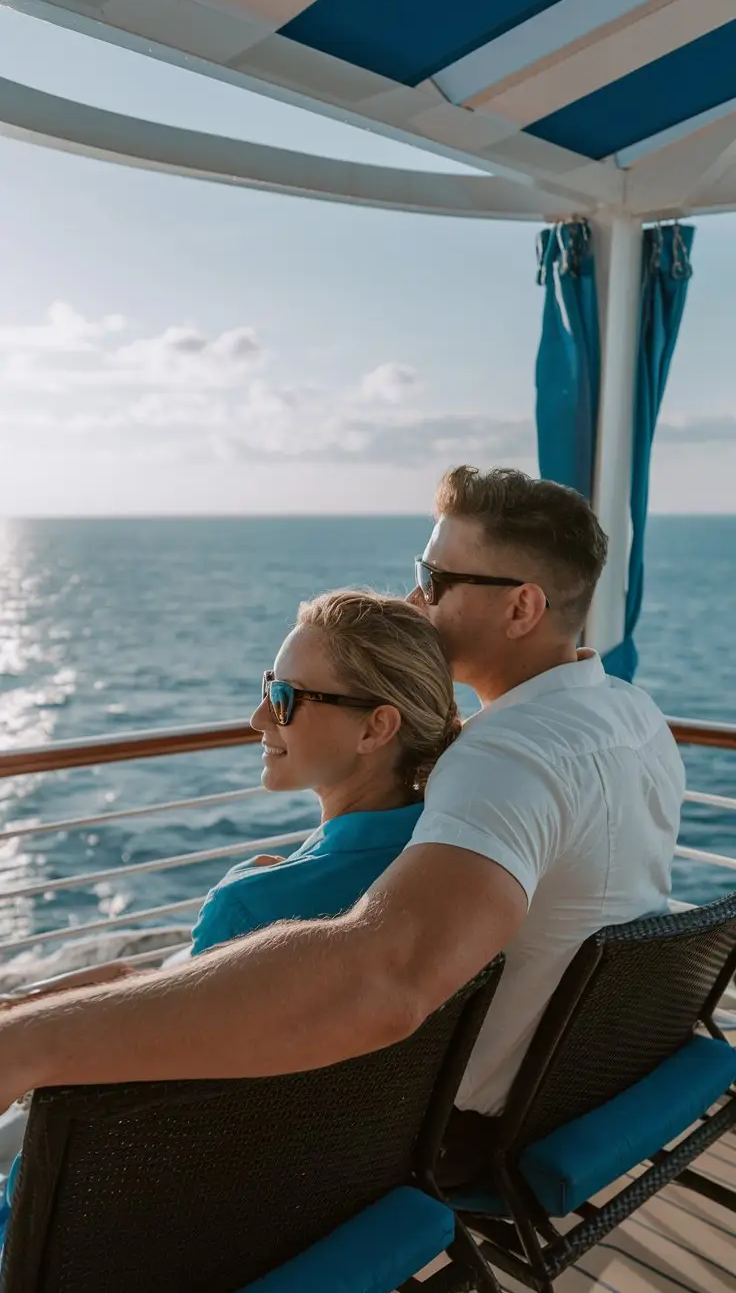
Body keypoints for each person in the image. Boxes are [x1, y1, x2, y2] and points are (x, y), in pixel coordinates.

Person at [0, 466, 684, 1193]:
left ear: (522, 607)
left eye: (438, 577)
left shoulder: (505, 759)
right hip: (586, 1081)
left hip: (436, 1139)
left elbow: (385, 978)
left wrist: (30, 1042)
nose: (418, 598)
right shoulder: (631, 716)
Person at [190, 589, 460, 953]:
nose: (258, 718)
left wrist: (247, 888)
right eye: (269, 688)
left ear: (374, 728)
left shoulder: (247, 911)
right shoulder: (457, 858)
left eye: (285, 698)